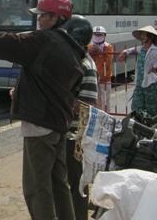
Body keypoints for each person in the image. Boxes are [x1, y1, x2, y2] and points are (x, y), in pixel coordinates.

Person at [0, 0, 84, 220]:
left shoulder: (44, 41)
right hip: (59, 124)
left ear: (55, 18)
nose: (39, 20)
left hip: (41, 126)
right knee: (58, 184)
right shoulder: (71, 48)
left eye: (42, 15)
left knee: (36, 188)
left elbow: (4, 42)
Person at [63, 15, 98, 220]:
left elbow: (86, 104)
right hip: (64, 131)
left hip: (74, 137)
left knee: (76, 182)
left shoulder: (86, 65)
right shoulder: (73, 60)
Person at [118, 25, 157, 117]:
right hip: (139, 82)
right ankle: (139, 124)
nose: (142, 37)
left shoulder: (155, 50)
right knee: (136, 106)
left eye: (145, 35)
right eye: (142, 35)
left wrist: (155, 66)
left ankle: (152, 126)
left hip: (150, 83)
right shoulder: (141, 48)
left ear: (150, 37)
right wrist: (125, 52)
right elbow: (131, 50)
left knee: (151, 108)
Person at [88, 26, 114, 111]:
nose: (97, 36)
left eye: (100, 35)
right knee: (95, 100)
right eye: (96, 34)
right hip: (94, 78)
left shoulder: (108, 47)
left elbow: (108, 62)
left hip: (105, 79)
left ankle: (107, 117)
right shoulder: (89, 46)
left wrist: (100, 52)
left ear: (104, 35)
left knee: (106, 101)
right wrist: (91, 52)